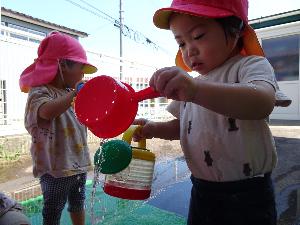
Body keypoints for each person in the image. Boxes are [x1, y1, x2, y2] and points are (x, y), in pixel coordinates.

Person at [133, 0, 292, 225]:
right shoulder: (193, 84)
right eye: (181, 43)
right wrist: (153, 128)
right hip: (202, 190)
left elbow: (262, 101)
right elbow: (183, 126)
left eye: (198, 36)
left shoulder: (249, 67)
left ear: (235, 31)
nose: (190, 50)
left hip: (247, 194)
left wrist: (196, 90)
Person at [19, 31, 97, 225]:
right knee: (53, 210)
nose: (82, 74)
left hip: (78, 163)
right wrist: (74, 95)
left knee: (78, 203)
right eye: (81, 68)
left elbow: (89, 118)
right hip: (55, 169)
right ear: (62, 65)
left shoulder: (70, 92)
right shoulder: (40, 91)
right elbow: (45, 112)